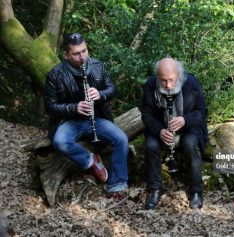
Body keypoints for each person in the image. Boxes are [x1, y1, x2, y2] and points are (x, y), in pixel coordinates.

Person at [44, 33, 129, 201]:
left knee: (121, 139)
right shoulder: (54, 75)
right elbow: (50, 107)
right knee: (60, 141)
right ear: (66, 55)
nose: (82, 57)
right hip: (68, 121)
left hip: (96, 118)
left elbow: (112, 89)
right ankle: (90, 161)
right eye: (76, 53)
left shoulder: (97, 66)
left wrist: (100, 94)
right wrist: (73, 107)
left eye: (84, 51)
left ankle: (117, 184)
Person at [140, 58, 208, 210]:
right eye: (163, 81)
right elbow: (146, 115)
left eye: (171, 80)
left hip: (189, 128)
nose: (168, 85)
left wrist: (185, 119)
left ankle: (197, 191)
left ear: (179, 74)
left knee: (190, 144)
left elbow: (202, 112)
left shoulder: (191, 83)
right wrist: (159, 131)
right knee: (151, 145)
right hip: (162, 128)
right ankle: (155, 190)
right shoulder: (151, 85)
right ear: (157, 76)